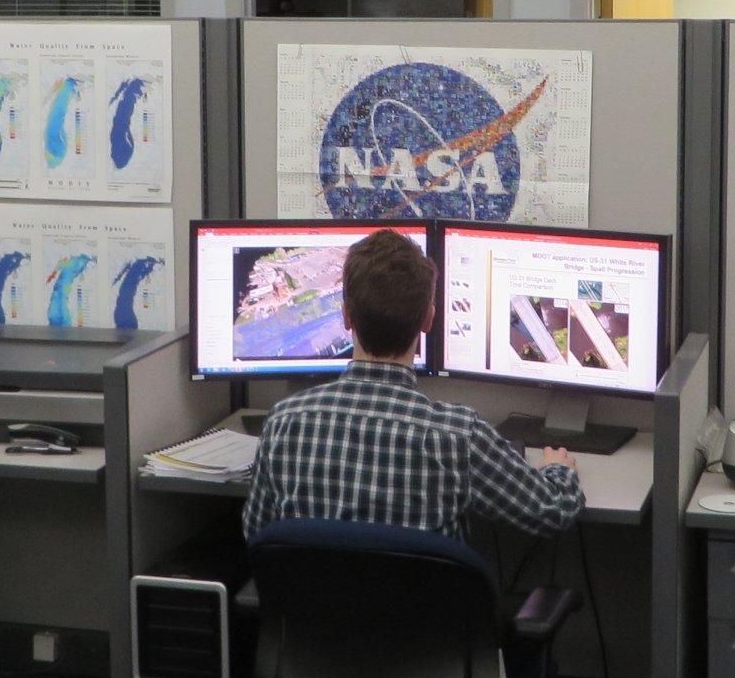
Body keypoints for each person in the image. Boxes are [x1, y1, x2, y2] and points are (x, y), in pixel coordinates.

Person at [244, 229, 582, 544]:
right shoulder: (458, 437)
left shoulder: (283, 424)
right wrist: (558, 470)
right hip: (425, 609)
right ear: (429, 319)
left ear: (346, 317)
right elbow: (551, 512)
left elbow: (258, 534)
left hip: (312, 609)